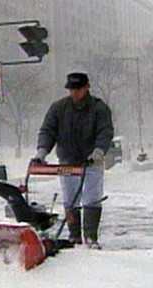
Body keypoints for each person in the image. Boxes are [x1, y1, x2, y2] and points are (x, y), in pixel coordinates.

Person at [32, 72, 114, 249]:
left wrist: (98, 152)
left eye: (78, 89)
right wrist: (41, 153)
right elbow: (48, 131)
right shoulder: (59, 108)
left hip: (91, 161)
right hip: (68, 161)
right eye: (72, 90)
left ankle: (91, 237)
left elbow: (105, 132)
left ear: (87, 88)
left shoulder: (99, 109)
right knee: (70, 198)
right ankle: (74, 235)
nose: (75, 93)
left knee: (92, 198)